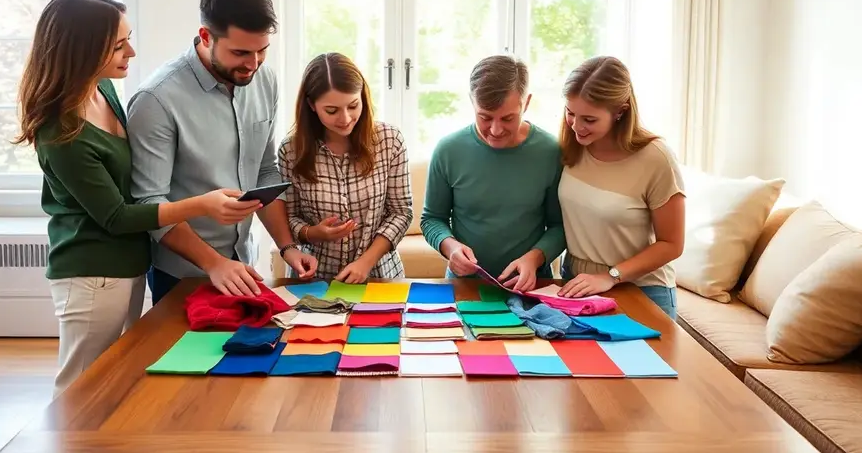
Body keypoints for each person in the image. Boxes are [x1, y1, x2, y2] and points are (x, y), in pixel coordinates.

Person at [14, 0, 252, 397]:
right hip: (91, 273)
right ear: (83, 50)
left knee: (112, 377)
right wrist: (203, 204)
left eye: (129, 38)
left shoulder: (102, 90)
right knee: (79, 387)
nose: (132, 51)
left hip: (126, 265)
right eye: (118, 45)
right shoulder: (61, 132)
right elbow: (117, 216)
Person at [127, 0, 318, 304]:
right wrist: (214, 263)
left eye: (262, 51)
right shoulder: (156, 100)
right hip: (181, 274)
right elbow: (148, 203)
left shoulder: (263, 80)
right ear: (205, 36)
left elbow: (263, 171)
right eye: (241, 52)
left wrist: (287, 247)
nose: (253, 64)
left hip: (243, 263)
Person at [554, 56, 685, 319]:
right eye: (571, 113)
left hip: (642, 290)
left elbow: (672, 243)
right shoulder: (571, 148)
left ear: (620, 112)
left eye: (589, 119)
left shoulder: (656, 158)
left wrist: (610, 276)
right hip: (577, 285)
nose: (577, 126)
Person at [420, 55, 566, 291]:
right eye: (485, 117)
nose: (496, 130)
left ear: (526, 103)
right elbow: (431, 219)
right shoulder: (448, 150)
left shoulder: (550, 151)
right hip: (464, 287)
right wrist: (451, 247)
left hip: (532, 286)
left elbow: (560, 226)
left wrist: (534, 258)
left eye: (508, 118)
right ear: (472, 102)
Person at [278, 53, 413, 282]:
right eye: (331, 110)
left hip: (379, 276)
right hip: (315, 278)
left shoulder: (390, 140)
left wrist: (365, 262)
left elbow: (401, 213)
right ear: (311, 105)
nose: (346, 118)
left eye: (353, 105)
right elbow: (289, 216)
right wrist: (312, 233)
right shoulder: (291, 150)